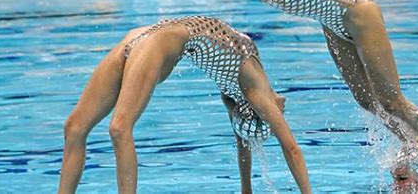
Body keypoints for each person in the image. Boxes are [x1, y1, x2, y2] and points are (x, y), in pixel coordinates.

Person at [84, 0, 418, 192]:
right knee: (366, 100)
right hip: (332, 25)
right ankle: (413, 146)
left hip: (358, 16)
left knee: (390, 99)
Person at [58, 16, 311, 194]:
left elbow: (242, 140)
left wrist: (246, 189)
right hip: (154, 41)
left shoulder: (241, 93)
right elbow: (291, 149)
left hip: (150, 35)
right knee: (89, 128)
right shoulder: (255, 94)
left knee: (94, 128)